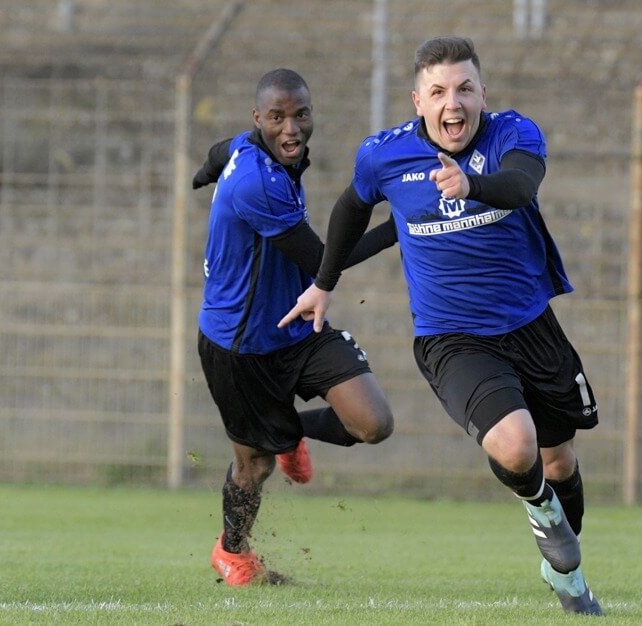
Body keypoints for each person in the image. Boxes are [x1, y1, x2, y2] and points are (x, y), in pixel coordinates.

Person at [280, 37, 604, 615]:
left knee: (559, 460)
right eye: (438, 92)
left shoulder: (512, 135)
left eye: (464, 89)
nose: (452, 103)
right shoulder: (384, 155)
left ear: (483, 94)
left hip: (531, 327)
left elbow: (520, 186)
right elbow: (353, 208)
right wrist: (324, 281)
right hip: (452, 338)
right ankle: (543, 515)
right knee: (517, 446)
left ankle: (569, 576)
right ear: (418, 101)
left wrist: (469, 185)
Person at [193, 68, 397, 587]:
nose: (291, 128)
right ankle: (232, 553)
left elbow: (219, 152)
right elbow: (323, 261)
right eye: (278, 117)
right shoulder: (257, 184)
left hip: (297, 325)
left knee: (373, 423)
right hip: (238, 345)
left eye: (300, 114)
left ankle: (286, 432)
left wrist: (203, 173)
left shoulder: (245, 147)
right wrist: (401, 226)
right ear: (258, 119)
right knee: (254, 467)